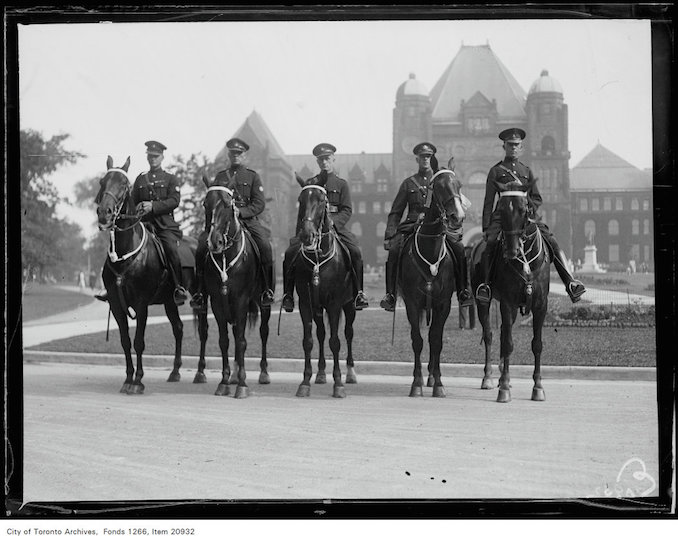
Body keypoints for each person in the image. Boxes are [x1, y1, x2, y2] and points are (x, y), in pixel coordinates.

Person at [475, 128, 586, 304]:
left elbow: (536, 198)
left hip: (525, 217)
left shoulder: (526, 171)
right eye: (510, 145)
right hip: (502, 218)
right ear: (504, 146)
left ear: (521, 148)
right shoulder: (495, 171)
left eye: (516, 145)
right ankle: (486, 286)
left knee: (552, 242)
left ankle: (570, 283)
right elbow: (488, 202)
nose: (513, 148)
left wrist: (528, 209)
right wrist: (486, 228)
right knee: (489, 245)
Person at [379, 142, 473, 312]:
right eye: (422, 157)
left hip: (438, 225)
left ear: (432, 158)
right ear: (417, 159)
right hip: (411, 225)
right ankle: (390, 295)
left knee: (459, 249)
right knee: (394, 252)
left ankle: (463, 291)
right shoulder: (409, 183)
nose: (425, 160)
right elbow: (396, 211)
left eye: (428, 156)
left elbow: (453, 201)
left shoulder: (442, 180)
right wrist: (389, 234)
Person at [97, 140, 188, 305]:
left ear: (162, 157)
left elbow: (174, 200)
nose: (152, 159)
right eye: (150, 156)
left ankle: (178, 288)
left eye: (155, 156)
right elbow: (131, 201)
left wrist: (153, 206)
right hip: (142, 224)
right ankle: (110, 288)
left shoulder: (170, 179)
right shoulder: (140, 179)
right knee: (117, 247)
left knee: (171, 249)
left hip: (164, 225)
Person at [281, 143, 369, 312]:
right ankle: (288, 295)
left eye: (327, 159)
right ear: (317, 162)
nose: (324, 162)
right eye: (321, 160)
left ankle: (359, 293)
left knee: (355, 252)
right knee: (290, 253)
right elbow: (305, 209)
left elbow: (347, 210)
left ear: (333, 159)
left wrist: (332, 222)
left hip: (336, 228)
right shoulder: (311, 183)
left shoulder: (342, 184)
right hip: (313, 229)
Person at [190, 137, 275, 310]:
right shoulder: (220, 177)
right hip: (223, 224)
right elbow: (213, 200)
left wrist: (241, 212)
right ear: (229, 155)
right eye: (233, 153)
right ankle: (199, 292)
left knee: (265, 246)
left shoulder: (252, 176)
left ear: (244, 155)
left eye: (239, 153)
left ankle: (267, 290)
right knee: (201, 247)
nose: (236, 156)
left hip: (247, 222)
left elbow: (259, 204)